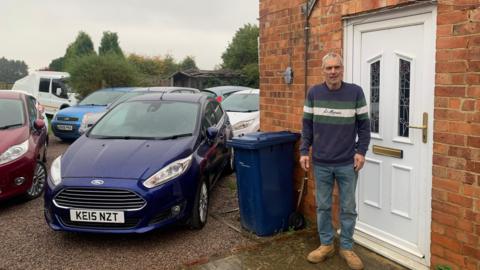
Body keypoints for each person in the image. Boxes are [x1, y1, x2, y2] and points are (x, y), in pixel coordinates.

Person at [299, 52, 370, 270]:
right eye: (328, 68)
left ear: (342, 69)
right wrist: (304, 151)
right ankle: (326, 245)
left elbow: (364, 126)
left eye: (336, 67)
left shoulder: (355, 92)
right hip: (321, 162)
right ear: (323, 71)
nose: (333, 72)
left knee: (348, 207)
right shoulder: (314, 93)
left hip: (347, 163)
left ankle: (347, 247)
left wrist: (361, 151)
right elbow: (307, 126)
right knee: (323, 207)